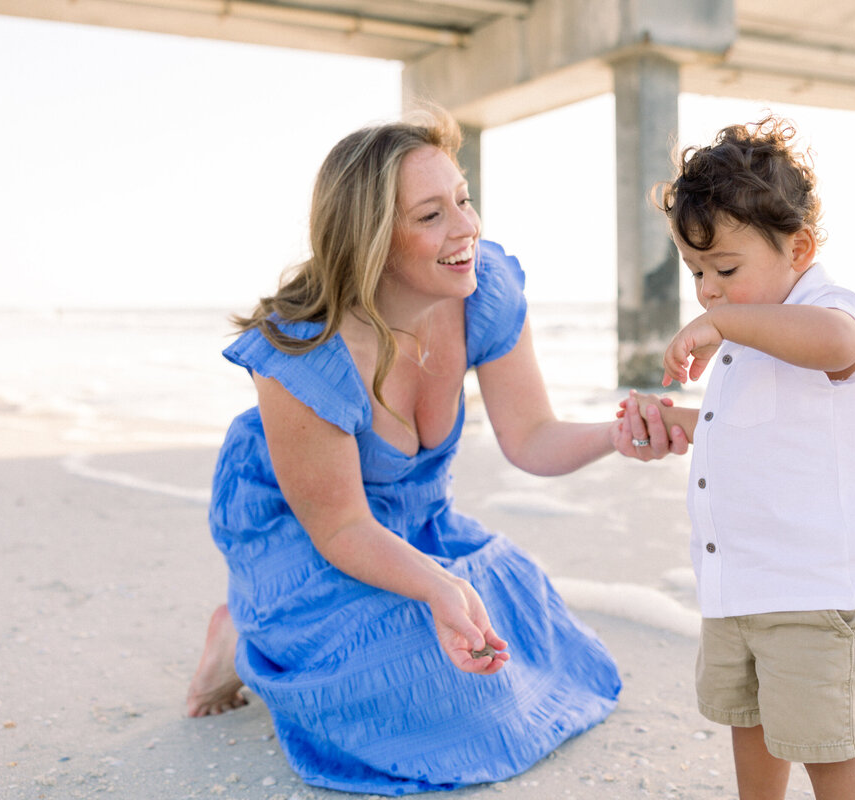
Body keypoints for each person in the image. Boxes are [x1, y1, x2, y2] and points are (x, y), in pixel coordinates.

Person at [185, 108, 687, 796]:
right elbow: (340, 527)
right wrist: (439, 585)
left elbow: (532, 438)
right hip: (307, 532)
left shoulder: (482, 290)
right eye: (431, 216)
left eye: (464, 199)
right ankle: (243, 637)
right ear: (372, 241)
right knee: (414, 670)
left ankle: (303, 632)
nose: (466, 229)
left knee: (527, 628)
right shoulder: (303, 349)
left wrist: (614, 435)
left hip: (420, 522)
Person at [623, 116, 855, 800]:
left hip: (811, 590)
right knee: (751, 726)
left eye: (725, 269)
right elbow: (752, 427)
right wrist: (684, 422)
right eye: (696, 273)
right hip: (738, 584)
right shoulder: (751, 331)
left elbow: (836, 345)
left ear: (798, 246)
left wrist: (723, 323)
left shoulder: (827, 309)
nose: (709, 290)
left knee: (825, 747)